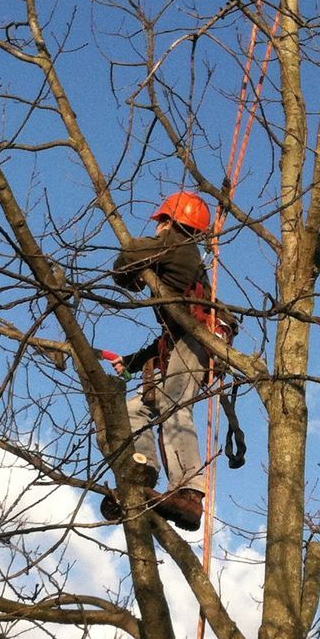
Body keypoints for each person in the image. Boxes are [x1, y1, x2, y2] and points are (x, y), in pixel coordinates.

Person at [101, 190, 230, 532]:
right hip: (183, 339)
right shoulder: (180, 259)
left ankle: (189, 492)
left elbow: (130, 253)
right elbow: (170, 332)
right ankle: (143, 469)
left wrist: (127, 273)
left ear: (169, 221)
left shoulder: (177, 245)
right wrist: (132, 361)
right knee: (136, 409)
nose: (158, 228)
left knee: (174, 402)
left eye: (161, 223)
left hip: (199, 338)